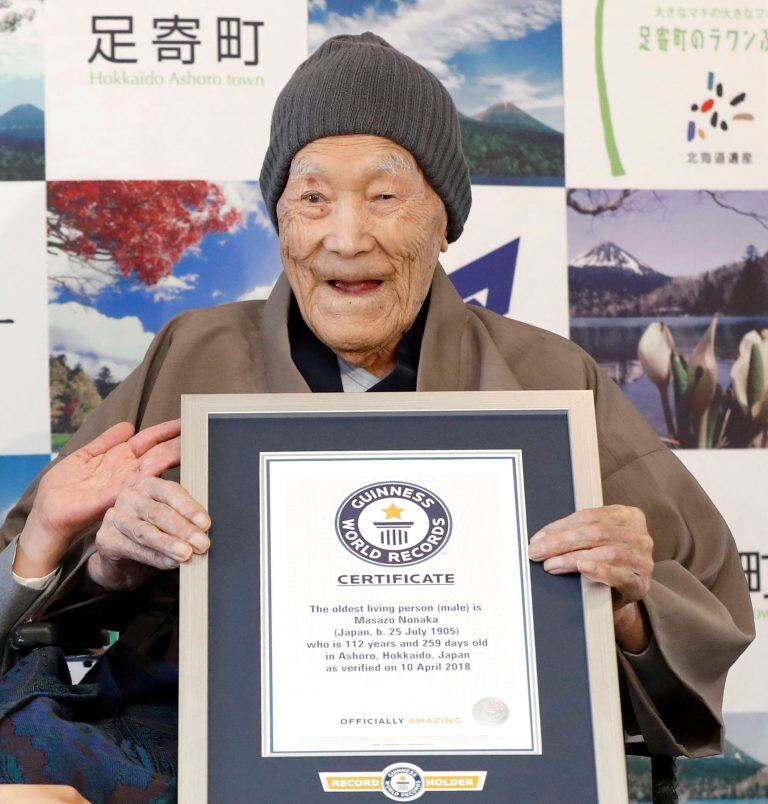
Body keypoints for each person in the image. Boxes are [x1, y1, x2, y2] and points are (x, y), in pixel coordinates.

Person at [0, 31, 754, 799]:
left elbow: (700, 603)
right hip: (211, 752)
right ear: (281, 219)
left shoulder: (549, 379)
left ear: (444, 219)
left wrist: (625, 603)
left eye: (386, 196)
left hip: (478, 761)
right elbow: (35, 595)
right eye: (313, 197)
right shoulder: (190, 353)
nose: (347, 237)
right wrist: (98, 559)